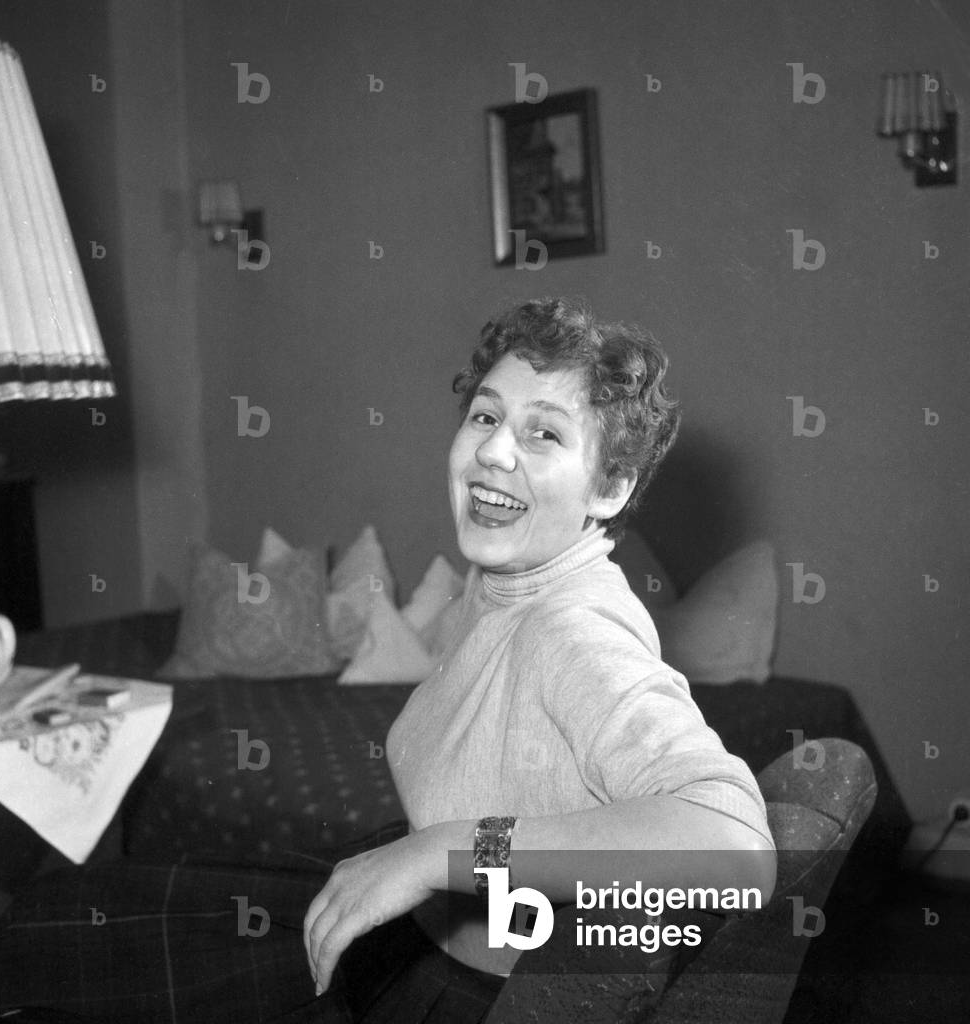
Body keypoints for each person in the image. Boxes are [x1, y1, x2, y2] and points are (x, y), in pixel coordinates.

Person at [304, 296, 776, 1020]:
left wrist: (446, 852)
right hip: (432, 946)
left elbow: (737, 848)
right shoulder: (501, 582)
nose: (494, 452)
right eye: (485, 417)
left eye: (544, 433)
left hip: (479, 997)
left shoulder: (570, 628)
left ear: (610, 488)